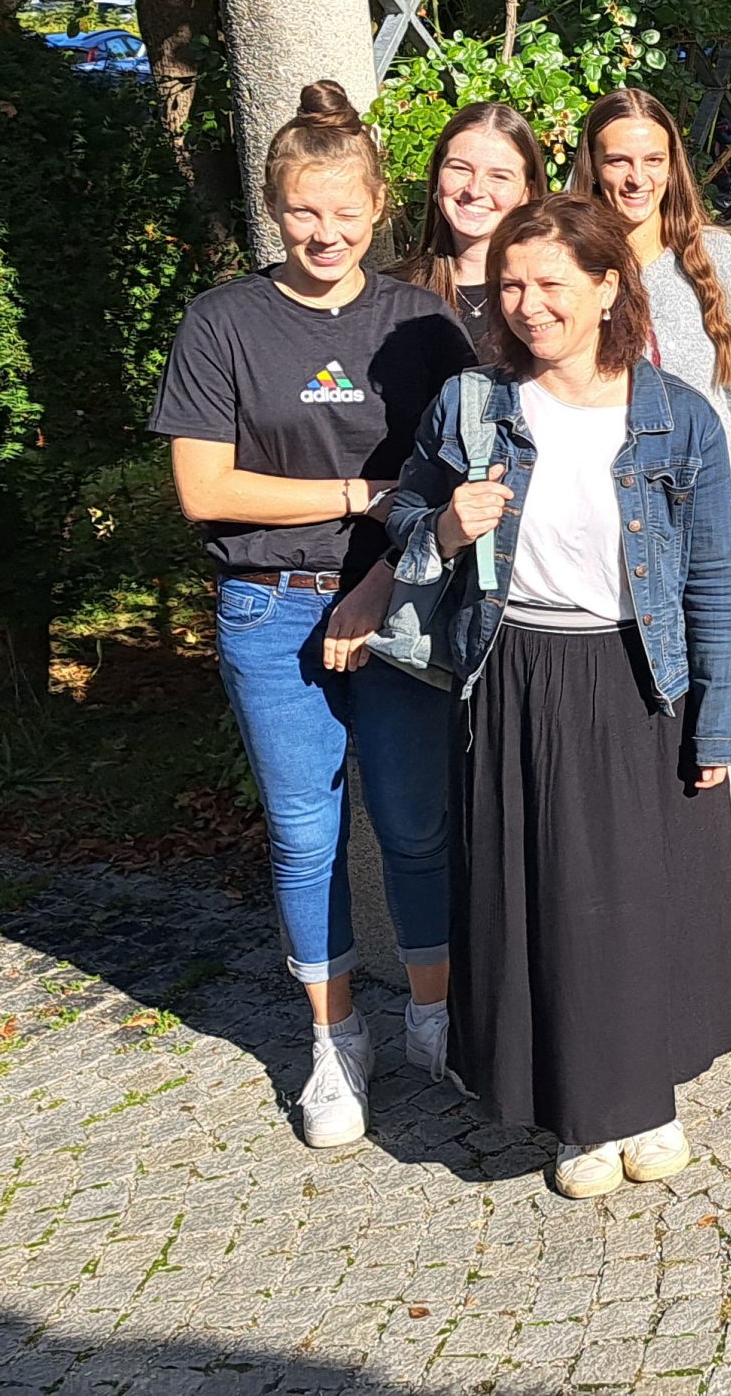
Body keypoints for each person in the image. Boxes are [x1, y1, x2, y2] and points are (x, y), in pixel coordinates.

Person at [385, 193, 731, 1201]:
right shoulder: (474, 405)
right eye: (510, 283)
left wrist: (720, 718)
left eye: (550, 282)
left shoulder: (676, 415)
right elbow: (406, 511)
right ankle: (580, 1118)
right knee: (545, 901)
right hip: (516, 674)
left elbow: (714, 580)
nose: (527, 303)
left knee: (642, 905)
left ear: (605, 287)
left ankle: (650, 1098)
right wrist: (446, 529)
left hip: (639, 679)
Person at [150, 80, 474, 1149]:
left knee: (418, 826)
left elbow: (465, 463)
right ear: (272, 210)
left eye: (344, 212)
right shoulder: (224, 322)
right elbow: (206, 487)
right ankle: (336, 1044)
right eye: (302, 212)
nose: (324, 233)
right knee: (303, 837)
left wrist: (387, 544)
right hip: (268, 609)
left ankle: (435, 1018)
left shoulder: (423, 320)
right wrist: (353, 497)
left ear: (380, 207)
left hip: (403, 609)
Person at [571, 88, 731, 948]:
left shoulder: (718, 255)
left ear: (674, 167)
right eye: (618, 158)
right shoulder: (574, 253)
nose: (635, 176)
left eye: (652, 159)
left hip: (720, 511)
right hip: (616, 523)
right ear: (592, 160)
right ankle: (669, 875)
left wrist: (699, 491)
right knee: (644, 699)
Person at [395, 100, 548, 360]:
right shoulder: (394, 295)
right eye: (460, 169)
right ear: (437, 177)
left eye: (498, 176)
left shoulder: (551, 300)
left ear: (528, 193)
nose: (474, 190)